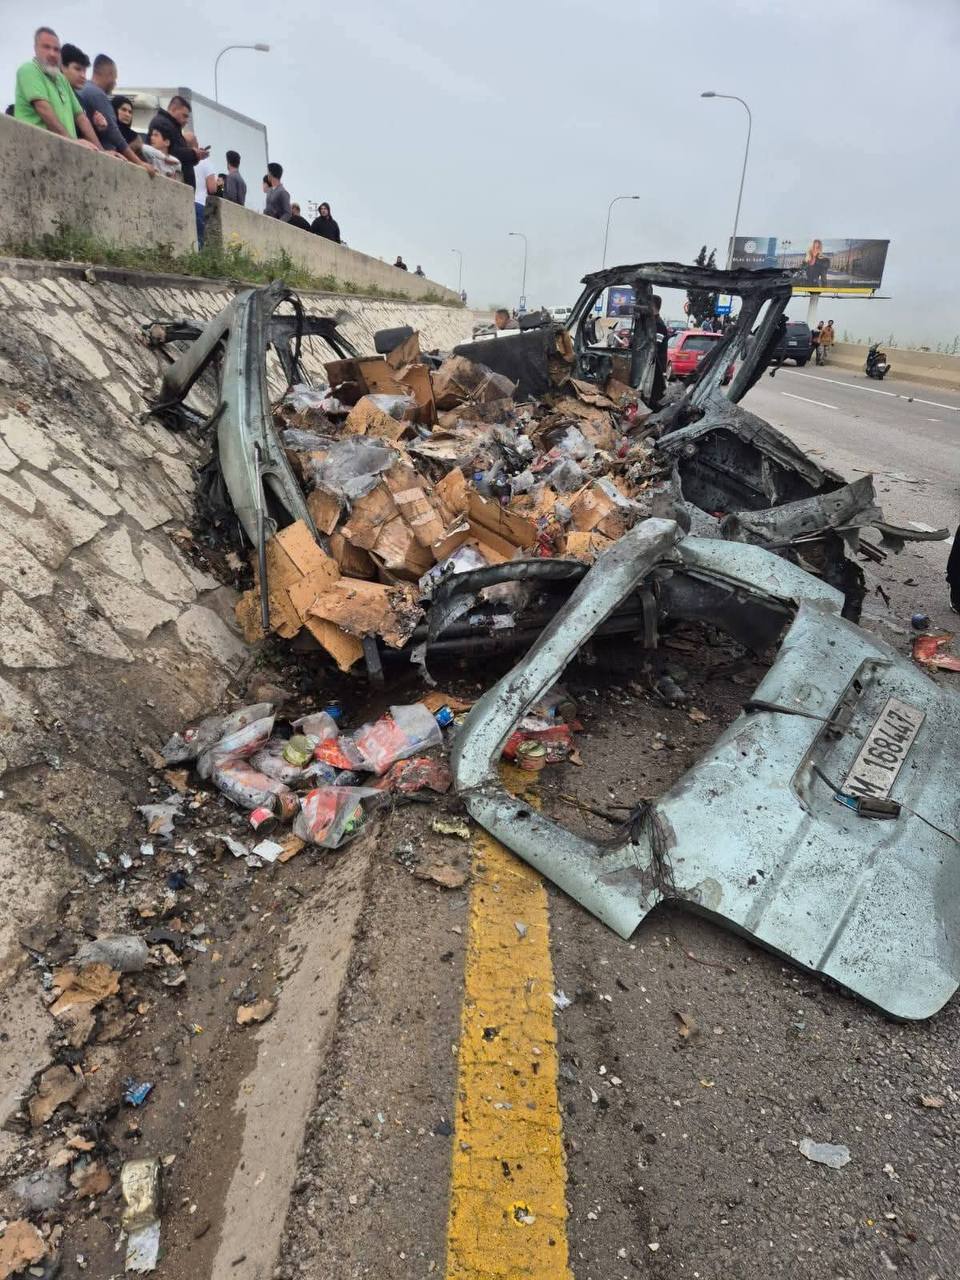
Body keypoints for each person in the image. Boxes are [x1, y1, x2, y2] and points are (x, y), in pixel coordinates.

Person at [14, 28, 103, 151]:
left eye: (56, 49)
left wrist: (102, 151)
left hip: (61, 150)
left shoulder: (61, 79)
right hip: (33, 149)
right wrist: (72, 142)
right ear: (35, 48)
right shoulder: (29, 70)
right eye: (46, 47)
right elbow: (43, 109)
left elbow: (81, 117)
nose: (52, 54)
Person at [78, 55, 153, 173]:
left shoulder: (83, 88)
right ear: (109, 74)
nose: (115, 83)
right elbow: (114, 134)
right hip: (100, 165)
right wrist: (139, 163)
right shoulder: (97, 94)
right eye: (114, 78)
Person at [148, 95, 205, 189]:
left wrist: (195, 156)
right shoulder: (162, 123)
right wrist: (193, 153)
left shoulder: (172, 126)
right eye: (184, 116)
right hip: (168, 185)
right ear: (173, 109)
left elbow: (178, 155)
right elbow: (171, 152)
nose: (186, 121)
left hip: (178, 187)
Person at [187, 136, 217, 245]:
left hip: (186, 202)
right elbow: (212, 189)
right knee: (199, 241)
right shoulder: (205, 162)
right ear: (197, 144)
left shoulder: (183, 159)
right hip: (200, 204)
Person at [650, 293, 669, 409]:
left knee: (655, 400)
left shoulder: (658, 325)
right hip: (652, 368)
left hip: (656, 368)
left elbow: (654, 346)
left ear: (652, 306)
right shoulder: (651, 323)